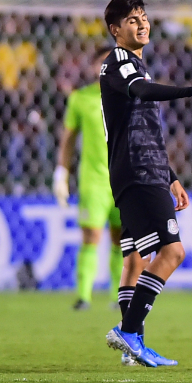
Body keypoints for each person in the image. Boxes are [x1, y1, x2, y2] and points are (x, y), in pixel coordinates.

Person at [101, 0, 192, 367]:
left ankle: (132, 349)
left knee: (136, 257)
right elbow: (141, 92)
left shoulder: (135, 64)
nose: (142, 25)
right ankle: (129, 332)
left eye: (144, 18)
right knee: (172, 252)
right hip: (138, 174)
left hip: (146, 171)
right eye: (132, 20)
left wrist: (170, 177)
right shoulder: (119, 63)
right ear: (115, 30)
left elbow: (143, 129)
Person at [54, 47, 125, 313]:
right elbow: (68, 140)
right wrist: (61, 173)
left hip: (123, 178)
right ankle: (83, 296)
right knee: (92, 235)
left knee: (121, 239)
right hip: (93, 180)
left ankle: (119, 296)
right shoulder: (81, 99)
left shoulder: (130, 98)